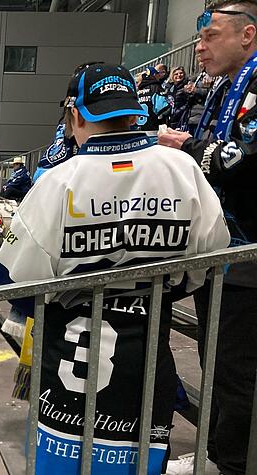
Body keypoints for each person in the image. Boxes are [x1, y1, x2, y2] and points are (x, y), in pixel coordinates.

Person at [0, 62, 230, 474]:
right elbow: (210, 259)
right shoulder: (181, 168)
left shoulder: (59, 179)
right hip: (146, 362)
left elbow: (12, 280)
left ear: (75, 114)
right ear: (132, 110)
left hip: (68, 374)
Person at [158, 3, 257, 473]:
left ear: (246, 35)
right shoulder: (219, 90)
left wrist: (186, 148)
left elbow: (237, 159)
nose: (198, 47)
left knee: (233, 370)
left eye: (210, 35)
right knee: (214, 361)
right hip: (220, 251)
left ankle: (229, 463)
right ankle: (216, 455)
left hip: (247, 255)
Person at [137, 66, 172, 130]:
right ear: (154, 75)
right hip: (154, 129)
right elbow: (163, 108)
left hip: (140, 129)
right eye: (157, 74)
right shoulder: (156, 88)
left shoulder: (138, 92)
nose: (159, 76)